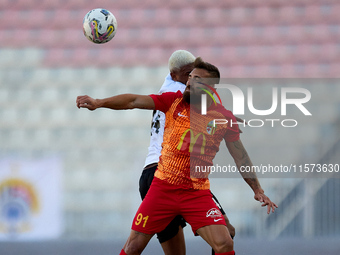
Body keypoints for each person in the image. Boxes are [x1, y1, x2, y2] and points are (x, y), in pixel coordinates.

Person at [76, 57, 278, 255]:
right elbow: (133, 101)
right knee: (133, 247)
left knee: (225, 242)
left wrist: (257, 189)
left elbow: (240, 156)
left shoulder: (223, 118)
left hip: (196, 192)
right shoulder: (173, 102)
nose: (189, 81)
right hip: (162, 189)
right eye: (190, 77)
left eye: (196, 79)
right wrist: (99, 102)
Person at [140, 50, 235, 255]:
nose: (192, 79)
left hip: (149, 175)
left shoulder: (170, 85)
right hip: (168, 173)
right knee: (226, 230)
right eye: (189, 74)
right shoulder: (180, 93)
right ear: (176, 75)